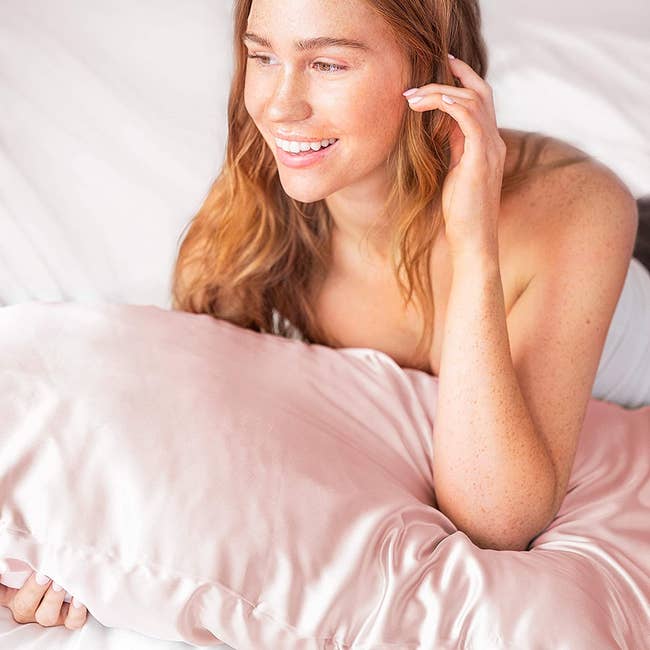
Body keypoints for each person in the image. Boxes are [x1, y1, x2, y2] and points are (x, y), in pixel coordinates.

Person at [4, 0, 644, 632]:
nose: (280, 106)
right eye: (262, 56)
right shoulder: (253, 237)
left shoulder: (573, 204)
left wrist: (475, 244)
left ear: (432, 74)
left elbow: (499, 519)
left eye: (328, 64)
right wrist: (68, 555)